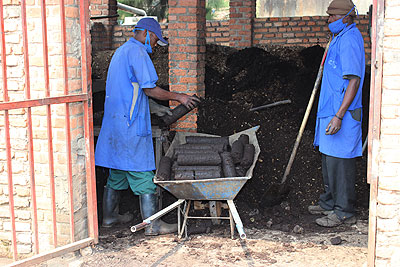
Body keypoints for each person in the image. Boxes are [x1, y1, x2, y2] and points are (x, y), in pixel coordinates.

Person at [95, 17, 200, 235]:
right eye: (155, 41)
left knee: (118, 171)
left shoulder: (121, 52)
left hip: (115, 123)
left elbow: (130, 89)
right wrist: (179, 97)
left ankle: (109, 217)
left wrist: (154, 108)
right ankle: (153, 224)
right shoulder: (138, 52)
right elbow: (149, 88)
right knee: (142, 172)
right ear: (147, 34)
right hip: (130, 125)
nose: (154, 46)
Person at [308, 0, 365, 227]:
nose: (328, 19)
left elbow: (354, 79)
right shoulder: (339, 37)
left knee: (341, 162)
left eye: (333, 16)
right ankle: (329, 203)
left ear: (347, 17)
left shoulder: (350, 39)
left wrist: (340, 115)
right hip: (328, 110)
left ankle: (344, 211)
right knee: (329, 160)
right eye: (328, 15)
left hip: (342, 114)